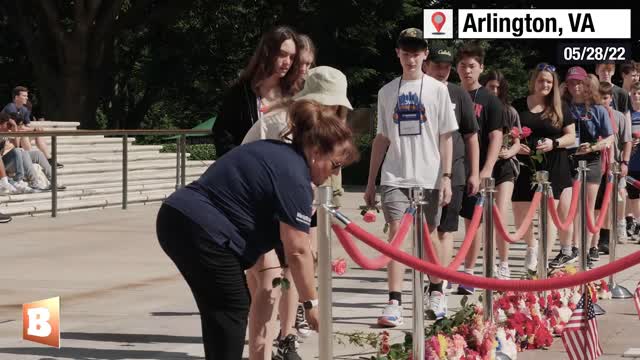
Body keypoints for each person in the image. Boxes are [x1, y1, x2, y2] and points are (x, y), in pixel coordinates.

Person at [157, 99, 358, 360]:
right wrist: (311, 304)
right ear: (317, 152)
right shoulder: (295, 176)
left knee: (221, 309)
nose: (333, 175)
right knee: (231, 306)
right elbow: (297, 250)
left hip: (181, 218)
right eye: (335, 165)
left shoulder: (277, 153)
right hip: (198, 227)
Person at [241, 66, 350, 360]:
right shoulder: (276, 123)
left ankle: (286, 339)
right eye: (328, 103)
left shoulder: (323, 128)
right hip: (257, 217)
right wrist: (312, 303)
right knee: (267, 291)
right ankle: (260, 354)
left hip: (293, 211)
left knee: (290, 277)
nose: (333, 110)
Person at [364, 28, 457, 326]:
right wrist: (371, 182)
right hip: (395, 174)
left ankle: (436, 290)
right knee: (395, 236)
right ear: (398, 53)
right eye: (406, 51)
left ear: (425, 54)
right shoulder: (387, 91)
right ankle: (394, 301)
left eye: (417, 51)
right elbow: (382, 137)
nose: (411, 57)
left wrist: (446, 176)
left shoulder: (438, 90)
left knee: (429, 236)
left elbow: (446, 137)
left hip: (429, 175)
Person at [422, 45, 479, 317]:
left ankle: (439, 286)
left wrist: (475, 172)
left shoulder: (458, 94)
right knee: (426, 230)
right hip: (421, 172)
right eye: (437, 65)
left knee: (445, 229)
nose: (442, 70)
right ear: (426, 65)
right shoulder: (416, 90)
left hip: (453, 172)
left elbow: (471, 135)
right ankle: (434, 278)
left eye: (446, 66)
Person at [509, 64, 576, 270]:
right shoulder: (518, 104)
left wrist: (553, 143)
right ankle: (532, 246)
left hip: (554, 164)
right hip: (525, 164)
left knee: (550, 214)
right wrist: (514, 146)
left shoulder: (561, 106)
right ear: (534, 81)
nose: (545, 84)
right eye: (541, 80)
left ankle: (543, 261)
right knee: (520, 213)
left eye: (549, 81)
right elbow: (507, 133)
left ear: (554, 84)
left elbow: (571, 136)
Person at [454, 42, 504, 294]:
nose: (467, 70)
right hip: (450, 169)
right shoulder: (447, 93)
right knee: (443, 223)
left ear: (481, 67)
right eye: (462, 65)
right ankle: (442, 272)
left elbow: (496, 136)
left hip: (477, 170)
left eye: (472, 66)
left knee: (472, 223)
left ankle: (469, 272)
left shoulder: (490, 100)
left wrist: (487, 169)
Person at [212, 26, 299, 158]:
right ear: (267, 53)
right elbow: (222, 136)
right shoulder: (240, 93)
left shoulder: (294, 94)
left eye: (292, 57)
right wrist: (243, 162)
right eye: (282, 54)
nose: (287, 62)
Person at [564, 68, 614, 268]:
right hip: (568, 159)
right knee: (570, 207)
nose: (575, 87)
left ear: (586, 84)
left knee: (588, 206)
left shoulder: (598, 109)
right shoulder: (564, 107)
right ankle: (572, 247)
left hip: (591, 160)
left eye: (579, 82)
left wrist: (593, 146)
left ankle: (587, 247)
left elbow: (610, 137)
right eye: (571, 83)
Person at [480, 70, 521, 279]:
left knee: (500, 214)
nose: (494, 90)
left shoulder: (510, 111)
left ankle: (504, 262)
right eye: (490, 87)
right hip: (484, 165)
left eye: (497, 87)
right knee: (484, 218)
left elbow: (517, 141)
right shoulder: (477, 108)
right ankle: (489, 261)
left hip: (505, 165)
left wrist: (509, 152)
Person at [593, 81, 632, 252]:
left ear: (611, 98)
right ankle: (594, 237)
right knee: (595, 203)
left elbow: (627, 141)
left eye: (606, 98)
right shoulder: (591, 114)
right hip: (596, 164)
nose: (602, 101)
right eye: (599, 97)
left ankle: (606, 236)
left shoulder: (619, 117)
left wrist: (625, 162)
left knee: (610, 202)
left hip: (613, 165)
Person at [2, 86, 62, 168]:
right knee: (25, 136)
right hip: (7, 138)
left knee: (37, 135)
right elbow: (15, 128)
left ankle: (49, 159)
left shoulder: (24, 110)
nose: (26, 98)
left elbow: (23, 126)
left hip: (16, 136)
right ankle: (31, 160)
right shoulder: (10, 108)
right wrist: (33, 129)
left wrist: (35, 129)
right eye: (24, 96)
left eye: (26, 95)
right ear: (16, 97)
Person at [624, 81, 640, 243]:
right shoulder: (627, 114)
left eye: (639, 93)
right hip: (632, 162)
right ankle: (638, 222)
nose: (636, 96)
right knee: (634, 197)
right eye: (634, 93)